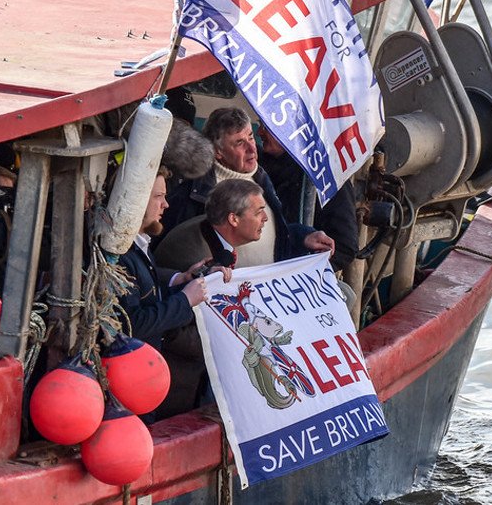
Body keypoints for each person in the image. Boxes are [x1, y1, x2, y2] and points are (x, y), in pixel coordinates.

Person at [155, 178, 332, 419]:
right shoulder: (193, 251)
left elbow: (277, 239)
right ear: (234, 219)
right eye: (259, 213)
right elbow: (175, 328)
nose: (266, 219)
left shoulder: (226, 236)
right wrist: (231, 347)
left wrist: (302, 238)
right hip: (185, 387)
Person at [159, 106, 333, 268]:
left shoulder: (261, 176)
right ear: (217, 151)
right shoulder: (192, 194)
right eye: (239, 143)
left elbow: (276, 234)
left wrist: (304, 236)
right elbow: (170, 256)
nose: (252, 148)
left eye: (250, 136)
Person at [116, 166, 232, 352]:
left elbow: (150, 298)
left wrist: (191, 281)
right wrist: (185, 299)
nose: (165, 204)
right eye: (158, 197)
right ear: (137, 199)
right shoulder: (119, 256)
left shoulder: (138, 245)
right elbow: (132, 324)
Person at [258, 124, 359, 272]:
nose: (260, 132)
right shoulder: (255, 168)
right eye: (261, 124)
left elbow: (344, 247)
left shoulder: (325, 176)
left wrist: (305, 274)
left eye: (267, 126)